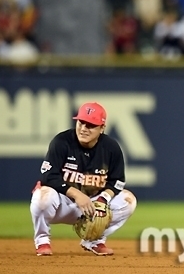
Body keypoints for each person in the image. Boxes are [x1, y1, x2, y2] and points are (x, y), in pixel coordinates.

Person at [30, 102, 137, 256]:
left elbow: (117, 181)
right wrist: (76, 194)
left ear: (102, 128)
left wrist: (103, 199)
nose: (83, 128)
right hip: (62, 204)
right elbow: (48, 175)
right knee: (42, 195)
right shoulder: (62, 142)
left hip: (92, 207)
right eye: (81, 122)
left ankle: (94, 240)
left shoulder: (111, 148)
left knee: (128, 200)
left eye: (91, 125)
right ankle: (42, 241)